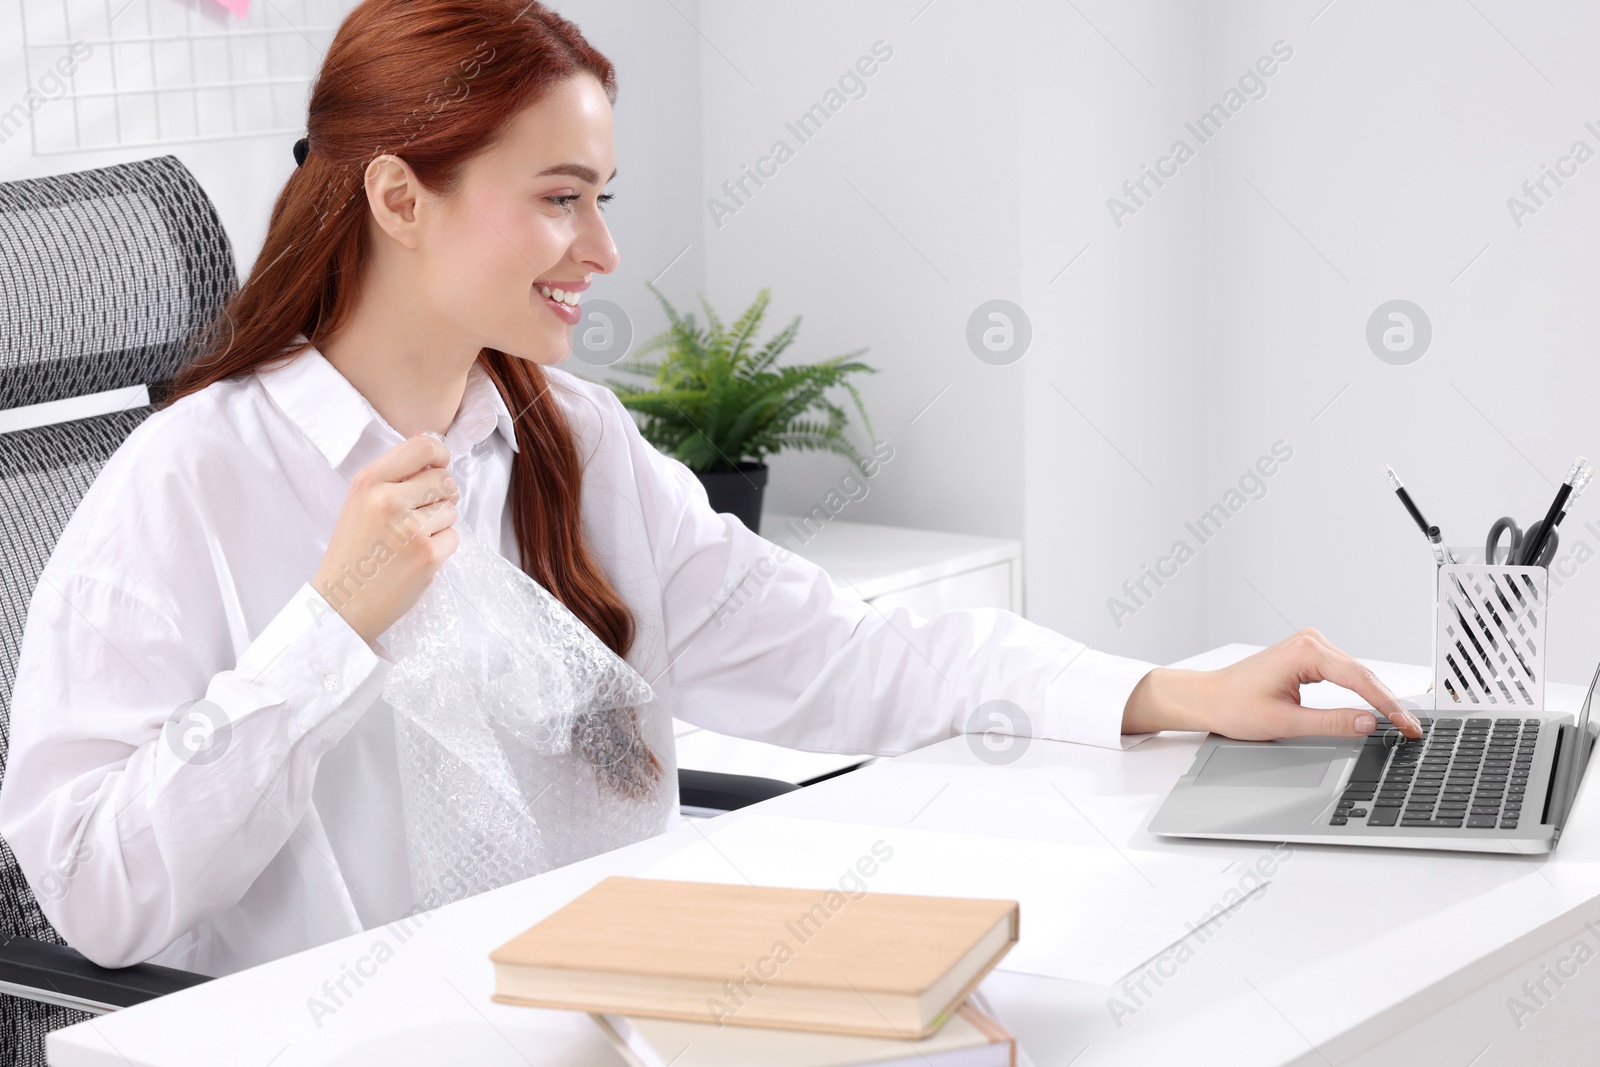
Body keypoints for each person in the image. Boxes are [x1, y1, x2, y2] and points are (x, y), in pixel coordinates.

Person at [0, 0, 1420, 978]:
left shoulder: (573, 441)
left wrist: (1166, 691)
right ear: (396, 197)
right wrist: (330, 633)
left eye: (604, 193)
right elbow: (99, 899)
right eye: (561, 195)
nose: (603, 246)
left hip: (601, 1015)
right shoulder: (186, 486)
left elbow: (848, 654)